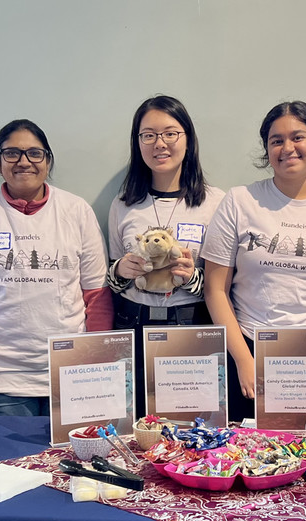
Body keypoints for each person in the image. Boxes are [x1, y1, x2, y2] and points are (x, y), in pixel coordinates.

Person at [201, 101, 306, 421]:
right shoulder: (239, 201)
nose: (287, 148)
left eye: (298, 137)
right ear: (267, 148)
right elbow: (215, 290)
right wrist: (242, 359)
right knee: (254, 456)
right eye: (276, 140)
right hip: (252, 351)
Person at [0, 119, 112, 416]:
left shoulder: (76, 211)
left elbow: (97, 296)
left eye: (35, 153)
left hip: (70, 377)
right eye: (12, 153)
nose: (24, 162)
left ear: (47, 160)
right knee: (7, 464)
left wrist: (95, 366)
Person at [106, 96, 224, 418]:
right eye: (148, 135)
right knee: (136, 425)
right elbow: (113, 285)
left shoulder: (216, 204)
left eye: (170, 133)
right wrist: (121, 271)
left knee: (191, 425)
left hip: (192, 324)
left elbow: (223, 288)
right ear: (138, 142)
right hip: (132, 324)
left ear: (188, 138)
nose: (160, 144)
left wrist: (192, 277)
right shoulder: (123, 204)